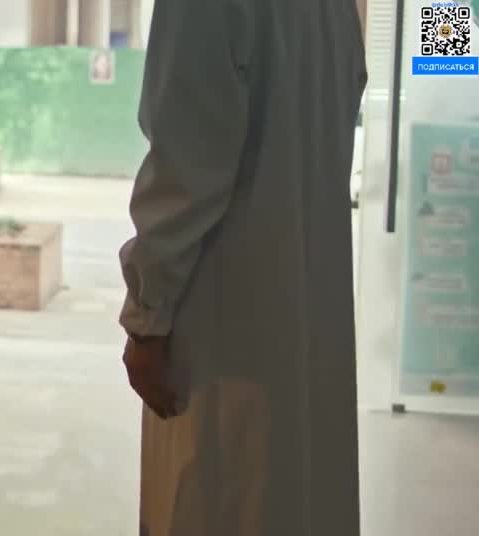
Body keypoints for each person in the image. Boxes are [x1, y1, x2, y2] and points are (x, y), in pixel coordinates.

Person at [117, 1, 366, 535]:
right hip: (306, 322)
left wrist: (147, 319)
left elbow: (185, 165)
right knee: (298, 496)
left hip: (224, 332)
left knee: (219, 499)